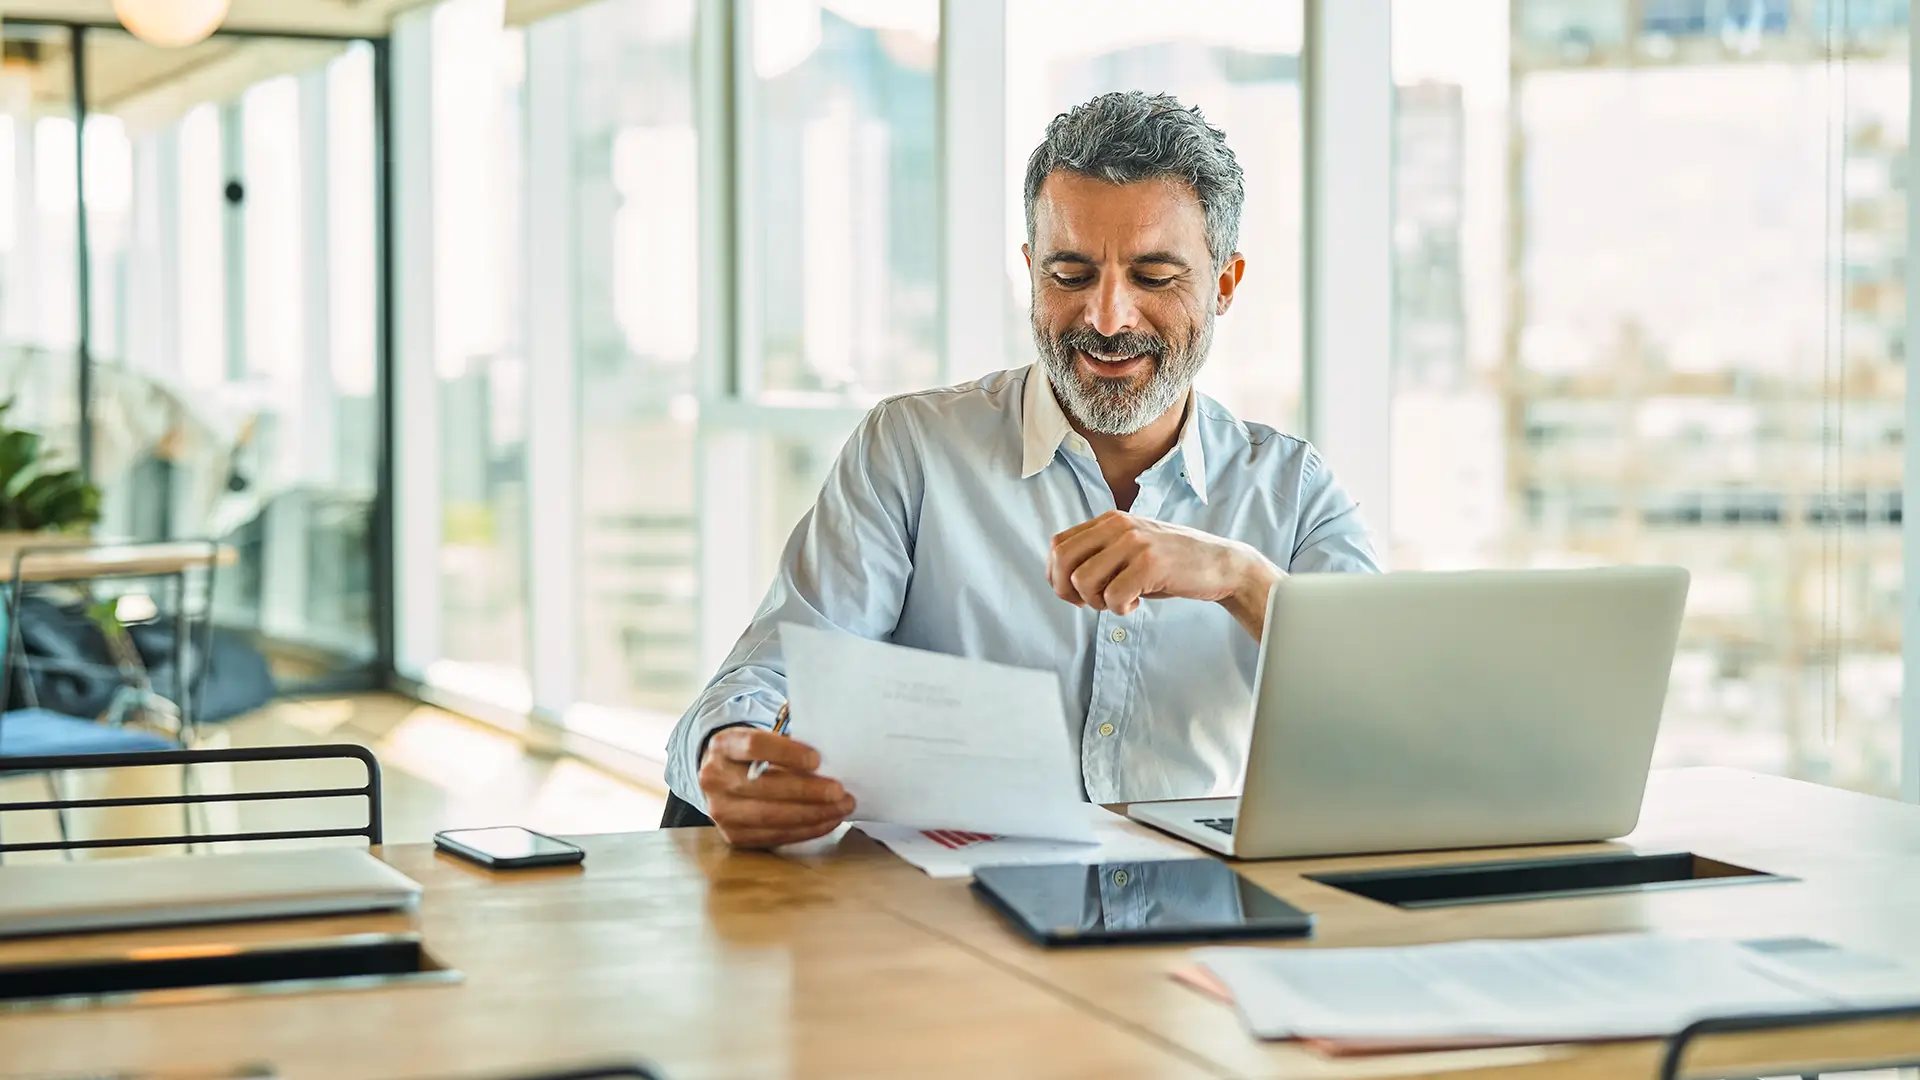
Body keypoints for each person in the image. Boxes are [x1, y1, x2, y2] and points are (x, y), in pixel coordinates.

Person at [664, 90, 1380, 848]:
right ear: (1029, 271)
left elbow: (1394, 716)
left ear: (1225, 285)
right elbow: (775, 672)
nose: (1108, 318)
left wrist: (1240, 579)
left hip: (1191, 932)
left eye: (1155, 277)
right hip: (935, 926)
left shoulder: (1294, 494)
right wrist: (730, 753)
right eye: (1070, 274)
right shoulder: (912, 451)